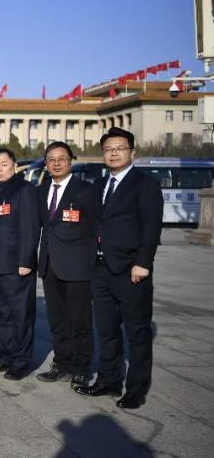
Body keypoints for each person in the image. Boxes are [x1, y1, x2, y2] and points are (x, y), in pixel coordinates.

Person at [75, 127, 163, 409]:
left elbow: (151, 227)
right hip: (100, 268)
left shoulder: (145, 184)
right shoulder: (99, 185)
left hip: (130, 270)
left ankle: (136, 389)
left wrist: (143, 263)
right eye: (108, 149)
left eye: (119, 148)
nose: (113, 153)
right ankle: (108, 380)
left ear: (132, 152)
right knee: (106, 329)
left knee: (137, 332)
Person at [36, 142, 97, 387]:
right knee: (57, 320)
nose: (56, 163)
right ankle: (61, 363)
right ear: (46, 164)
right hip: (50, 265)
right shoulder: (41, 190)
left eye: (62, 158)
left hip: (77, 266)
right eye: (51, 159)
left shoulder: (86, 190)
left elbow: (95, 227)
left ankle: (82, 367)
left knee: (80, 320)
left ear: (71, 161)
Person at [0, 148, 40, 380]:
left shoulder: (24, 189)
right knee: (2, 315)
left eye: (4, 164)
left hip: (16, 265)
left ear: (14, 166)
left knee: (20, 315)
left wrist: (26, 260)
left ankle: (21, 361)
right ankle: (6, 355)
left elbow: (30, 227)